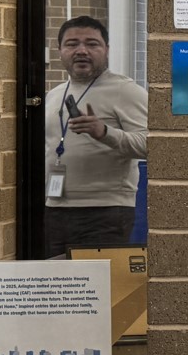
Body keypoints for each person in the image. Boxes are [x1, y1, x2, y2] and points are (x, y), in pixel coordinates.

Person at [44, 16, 148, 257]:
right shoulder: (54, 95)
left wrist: (104, 133)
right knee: (57, 290)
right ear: (60, 50)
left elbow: (152, 145)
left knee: (95, 291)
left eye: (92, 44)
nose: (81, 50)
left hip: (105, 212)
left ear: (107, 50)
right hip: (53, 210)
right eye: (72, 44)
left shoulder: (126, 90)